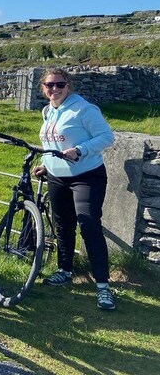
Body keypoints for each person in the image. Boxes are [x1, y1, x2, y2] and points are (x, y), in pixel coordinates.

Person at [31, 68, 116, 310]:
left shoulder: (84, 109)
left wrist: (80, 151)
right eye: (49, 85)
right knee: (62, 226)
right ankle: (64, 270)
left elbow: (107, 137)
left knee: (88, 224)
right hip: (57, 177)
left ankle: (103, 286)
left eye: (59, 84)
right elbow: (52, 144)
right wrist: (47, 166)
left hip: (86, 176)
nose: (54, 89)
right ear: (43, 88)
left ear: (69, 85)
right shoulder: (48, 111)